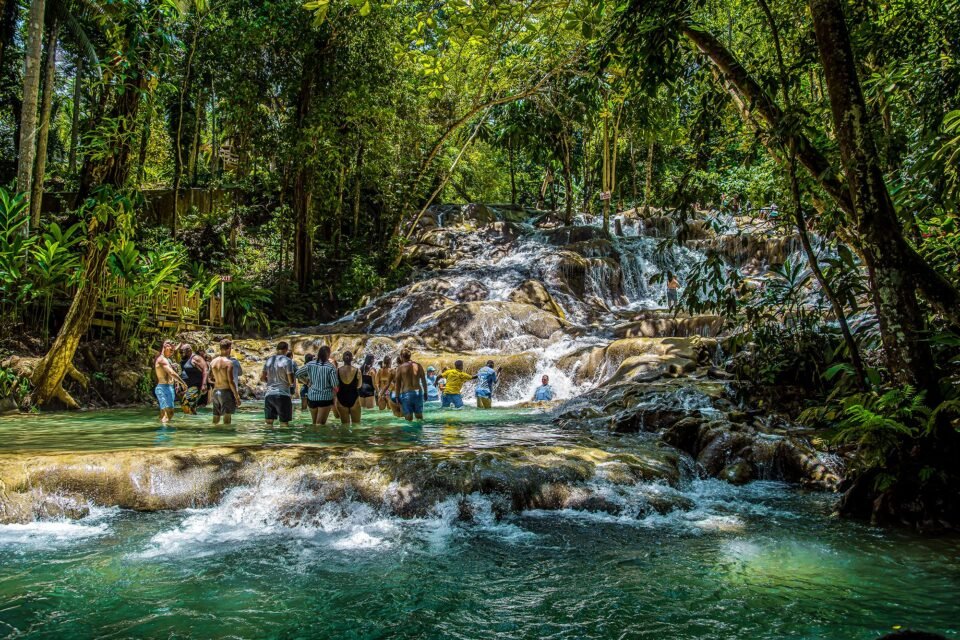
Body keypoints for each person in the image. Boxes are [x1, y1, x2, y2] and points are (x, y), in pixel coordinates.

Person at [297, 344, 339, 425]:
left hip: (312, 398)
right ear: (328, 354)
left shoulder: (310, 364)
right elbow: (335, 385)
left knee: (314, 423)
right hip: (325, 398)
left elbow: (297, 374)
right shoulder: (330, 367)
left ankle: (312, 437)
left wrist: (307, 382)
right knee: (320, 424)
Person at [260, 341, 296, 427]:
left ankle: (269, 440)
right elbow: (291, 380)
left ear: (277, 349)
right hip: (282, 395)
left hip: (269, 395)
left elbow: (262, 378)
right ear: (286, 350)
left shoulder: (269, 360)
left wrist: (270, 382)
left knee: (268, 423)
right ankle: (283, 440)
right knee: (284, 423)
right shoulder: (288, 361)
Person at [209, 339, 242, 425]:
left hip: (216, 392)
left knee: (215, 418)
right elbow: (230, 381)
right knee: (227, 420)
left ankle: (213, 435)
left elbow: (209, 378)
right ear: (229, 348)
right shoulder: (228, 363)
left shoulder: (213, 362)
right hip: (226, 392)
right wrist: (237, 397)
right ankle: (226, 437)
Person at [154, 340, 187, 424]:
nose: (172, 352)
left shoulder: (167, 359)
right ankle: (164, 435)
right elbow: (171, 373)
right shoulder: (162, 359)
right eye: (171, 350)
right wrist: (182, 383)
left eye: (173, 350)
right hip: (163, 388)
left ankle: (160, 431)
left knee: (167, 413)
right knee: (167, 413)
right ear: (165, 346)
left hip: (169, 388)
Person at [392, 349, 428, 421]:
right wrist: (425, 393)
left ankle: (409, 432)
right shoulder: (418, 365)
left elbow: (398, 383)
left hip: (407, 394)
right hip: (418, 393)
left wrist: (396, 396)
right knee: (419, 416)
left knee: (408, 418)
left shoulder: (400, 368)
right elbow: (424, 381)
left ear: (401, 356)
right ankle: (420, 432)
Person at [178, 343, 208, 415]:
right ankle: (194, 422)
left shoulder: (196, 358)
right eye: (180, 352)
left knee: (185, 404)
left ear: (189, 351)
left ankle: (190, 421)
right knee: (191, 407)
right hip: (187, 387)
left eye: (182, 352)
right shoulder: (184, 360)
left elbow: (205, 370)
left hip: (195, 386)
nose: (181, 354)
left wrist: (204, 384)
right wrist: (179, 385)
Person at [335, 351, 362, 426]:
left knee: (345, 426)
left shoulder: (337, 371)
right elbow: (359, 385)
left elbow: (336, 386)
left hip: (341, 399)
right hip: (354, 398)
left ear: (343, 359)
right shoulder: (357, 370)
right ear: (352, 359)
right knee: (356, 425)